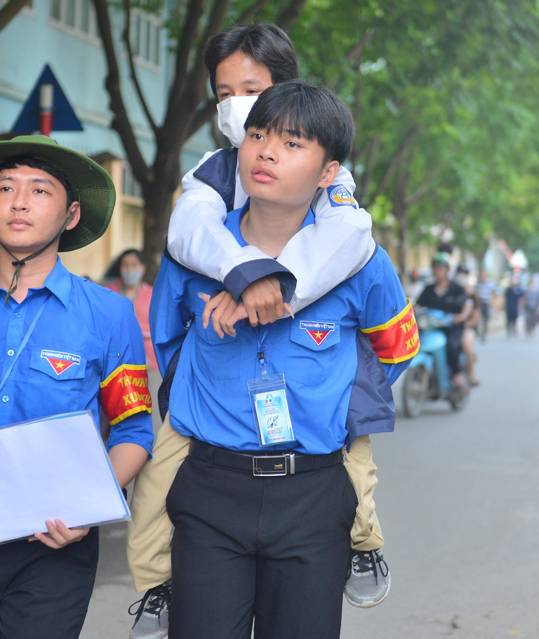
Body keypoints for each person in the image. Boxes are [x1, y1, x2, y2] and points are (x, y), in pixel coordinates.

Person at [126, 24, 393, 639]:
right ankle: (156, 588)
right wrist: (237, 285)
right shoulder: (208, 184)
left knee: (357, 468)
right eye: (227, 95)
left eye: (253, 89)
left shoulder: (343, 210)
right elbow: (169, 330)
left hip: (312, 484)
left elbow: (389, 336)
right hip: (214, 480)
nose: (243, 112)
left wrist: (336, 387)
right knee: (153, 498)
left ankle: (364, 542)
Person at [0, 136, 155, 639]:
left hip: (57, 536)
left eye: (40, 190)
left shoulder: (108, 314)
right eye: (5, 187)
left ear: (71, 213)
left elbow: (134, 431)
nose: (19, 201)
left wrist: (89, 508)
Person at [416, 253, 471, 388]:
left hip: (451, 327)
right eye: (435, 268)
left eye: (441, 268)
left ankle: (456, 375)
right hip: (431, 327)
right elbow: (418, 305)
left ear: (447, 270)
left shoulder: (456, 289)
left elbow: (467, 303)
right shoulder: (428, 289)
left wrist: (462, 316)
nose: (438, 271)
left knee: (451, 346)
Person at [104, 249, 158, 372]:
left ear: (143, 268)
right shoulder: (108, 292)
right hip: (114, 358)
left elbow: (160, 326)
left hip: (148, 359)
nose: (129, 269)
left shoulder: (153, 294)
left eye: (134, 265)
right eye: (125, 265)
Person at [455, 265, 480, 386]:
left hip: (466, 328)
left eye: (464, 273)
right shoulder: (452, 290)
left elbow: (475, 317)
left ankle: (471, 373)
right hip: (452, 326)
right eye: (460, 272)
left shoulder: (470, 295)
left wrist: (462, 323)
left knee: (465, 344)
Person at [475, 267, 497, 342]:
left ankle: (483, 334)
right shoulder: (478, 282)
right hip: (479, 302)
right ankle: (478, 333)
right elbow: (476, 293)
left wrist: (493, 302)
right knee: (478, 318)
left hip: (487, 302)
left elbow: (493, 293)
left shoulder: (490, 283)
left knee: (485, 319)